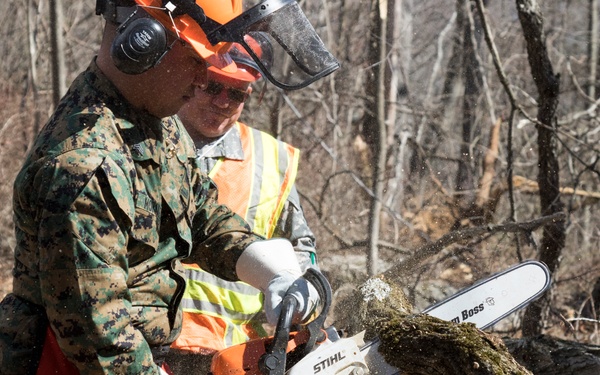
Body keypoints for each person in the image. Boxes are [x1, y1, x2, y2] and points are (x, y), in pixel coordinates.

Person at [0, 0, 333, 374]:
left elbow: (199, 212)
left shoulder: (152, 118)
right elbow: (99, 336)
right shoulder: (86, 164)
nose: (203, 78)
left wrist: (268, 268)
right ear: (144, 43)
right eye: (196, 60)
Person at [164, 41, 318, 374]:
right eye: (213, 86)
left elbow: (301, 248)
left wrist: (303, 290)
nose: (222, 102)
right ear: (192, 78)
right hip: (148, 345)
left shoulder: (270, 158)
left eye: (236, 94)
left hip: (231, 356)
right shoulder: (149, 139)